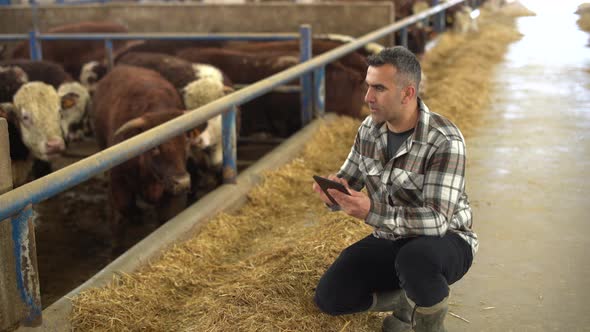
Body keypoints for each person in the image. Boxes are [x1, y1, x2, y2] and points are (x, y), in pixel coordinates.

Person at [312, 46, 477, 332]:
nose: (367, 98)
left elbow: (437, 221)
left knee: (415, 260)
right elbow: (349, 179)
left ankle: (430, 325)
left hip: (447, 240)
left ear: (407, 93)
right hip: (391, 236)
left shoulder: (444, 139)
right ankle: (405, 300)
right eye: (368, 86)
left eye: (379, 88)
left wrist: (372, 211)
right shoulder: (369, 129)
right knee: (330, 297)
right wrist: (335, 192)